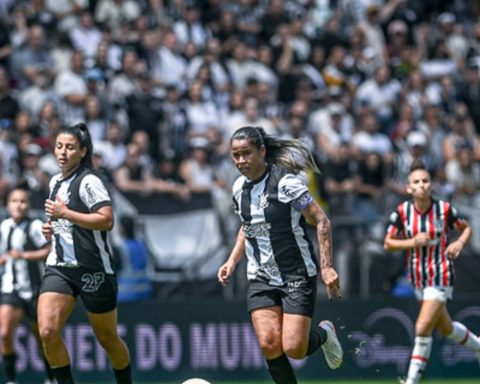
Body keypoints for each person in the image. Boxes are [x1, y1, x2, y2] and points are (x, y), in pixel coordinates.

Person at [217, 126, 343, 384]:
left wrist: (327, 267)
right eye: (236, 155)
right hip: (261, 276)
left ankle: (325, 334)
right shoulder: (239, 188)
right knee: (269, 343)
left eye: (246, 153)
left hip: (295, 273)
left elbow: (321, 221)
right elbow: (248, 226)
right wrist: (232, 261)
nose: (241, 161)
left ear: (262, 151)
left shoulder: (286, 183)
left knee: (294, 348)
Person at [38, 122, 132, 384]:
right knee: (47, 331)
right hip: (59, 266)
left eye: (70, 148)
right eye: (59, 146)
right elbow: (64, 222)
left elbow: (106, 220)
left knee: (107, 338)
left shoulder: (90, 180)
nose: (62, 153)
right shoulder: (55, 181)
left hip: (94, 268)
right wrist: (52, 228)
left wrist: (64, 214)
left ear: (82, 151)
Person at [384, 160, 480, 384]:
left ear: (431, 185)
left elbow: (466, 229)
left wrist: (458, 244)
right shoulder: (402, 212)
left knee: (422, 326)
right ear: (409, 188)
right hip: (418, 278)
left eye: (425, 181)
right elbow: (388, 243)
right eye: (416, 182)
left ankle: (411, 381)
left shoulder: (444, 209)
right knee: (446, 328)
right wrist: (412, 242)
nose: (422, 185)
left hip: (441, 274)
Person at [0, 185, 54, 384]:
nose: (18, 206)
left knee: (43, 336)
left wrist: (23, 255)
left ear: (29, 205)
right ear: (8, 205)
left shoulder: (35, 225)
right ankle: (11, 380)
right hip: (10, 288)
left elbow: (48, 250)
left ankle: (50, 378)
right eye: (14, 201)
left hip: (35, 289)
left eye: (23, 201)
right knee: (5, 333)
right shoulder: (4, 227)